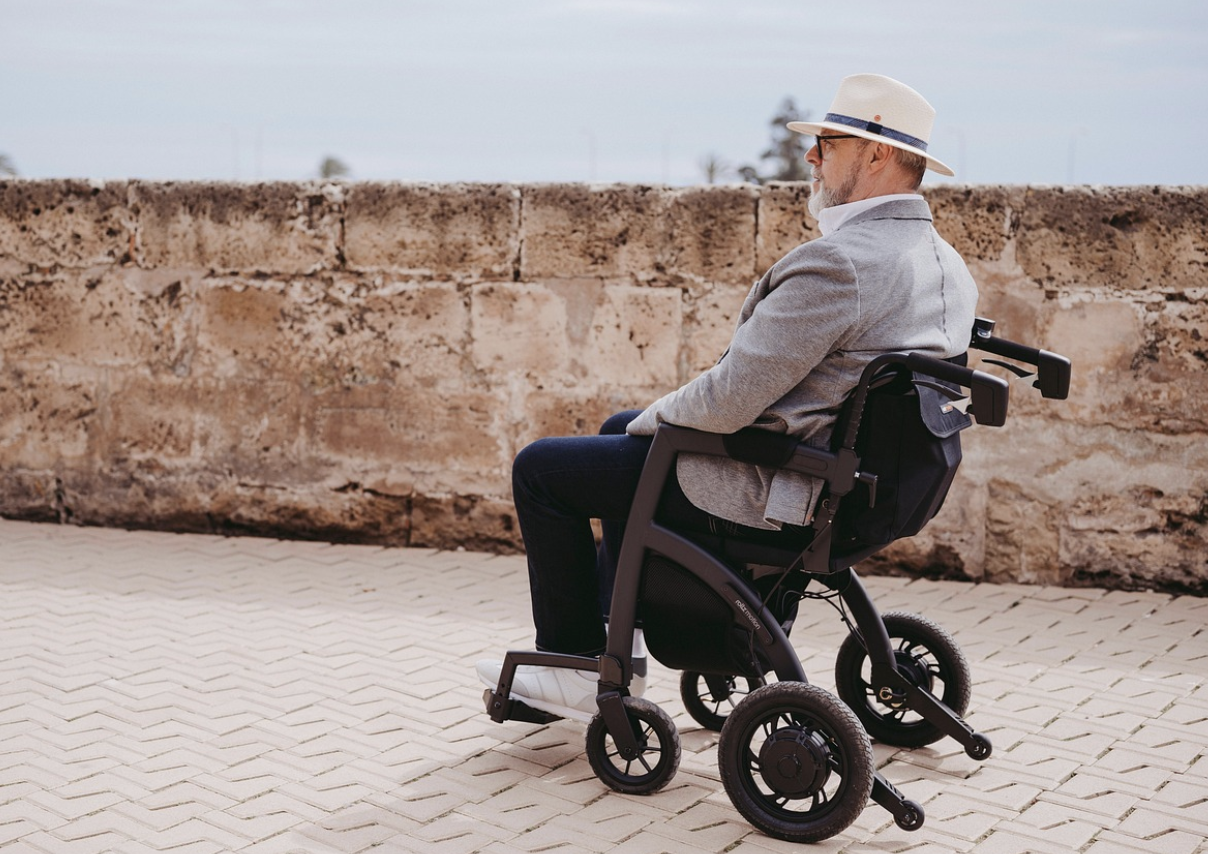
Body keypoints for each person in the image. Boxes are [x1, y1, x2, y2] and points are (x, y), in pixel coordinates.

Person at [476, 73, 979, 722]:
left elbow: (730, 401)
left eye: (827, 144)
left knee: (542, 470)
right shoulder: (945, 265)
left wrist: (657, 420)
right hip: (867, 485)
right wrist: (643, 426)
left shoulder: (843, 264)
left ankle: (573, 665)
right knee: (617, 431)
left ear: (878, 154)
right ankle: (620, 640)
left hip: (784, 488)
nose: (811, 156)